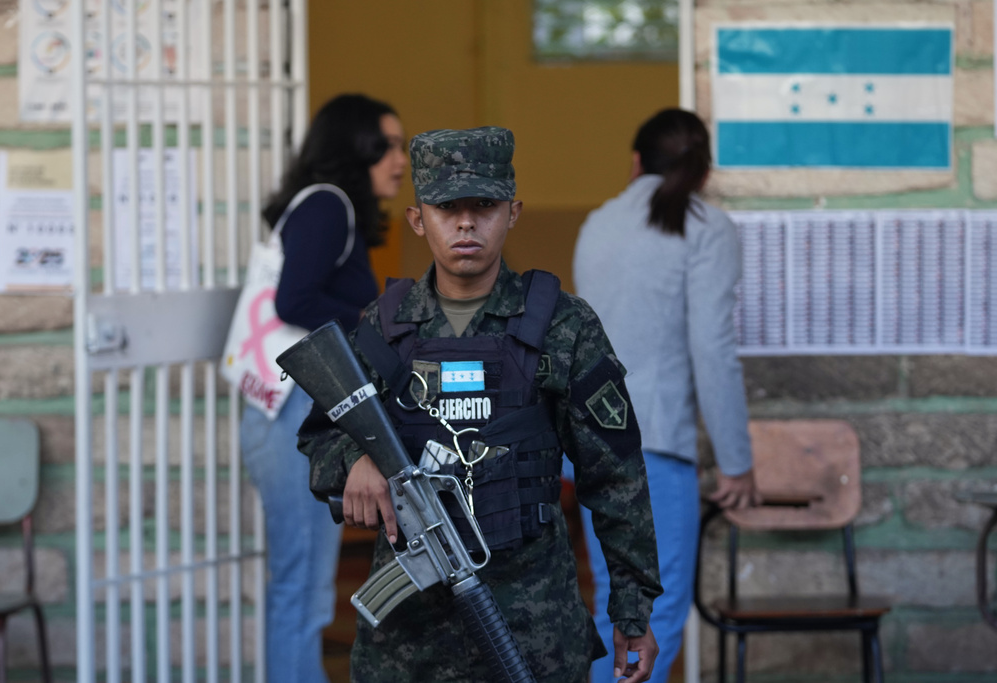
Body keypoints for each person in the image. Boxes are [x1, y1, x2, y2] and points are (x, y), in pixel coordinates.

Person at [298, 126, 662, 683]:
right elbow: (319, 435)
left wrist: (632, 609)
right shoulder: (382, 326)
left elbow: (616, 477)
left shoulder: (564, 325)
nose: (466, 223)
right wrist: (355, 462)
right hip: (409, 642)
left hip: (531, 624)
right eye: (447, 208)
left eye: (484, 205)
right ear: (419, 219)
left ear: (512, 212)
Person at [572, 108, 761, 683]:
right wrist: (736, 460)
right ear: (704, 173)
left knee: (616, 609)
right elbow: (713, 350)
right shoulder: (705, 226)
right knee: (656, 615)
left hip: (586, 444)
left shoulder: (598, 223)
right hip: (655, 449)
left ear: (635, 162)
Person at [240, 93, 407, 683]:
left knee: (305, 586)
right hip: (290, 415)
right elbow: (294, 300)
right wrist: (375, 323)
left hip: (285, 413)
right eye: (388, 145)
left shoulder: (330, 211)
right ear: (354, 148)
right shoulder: (328, 207)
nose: (401, 160)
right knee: (303, 587)